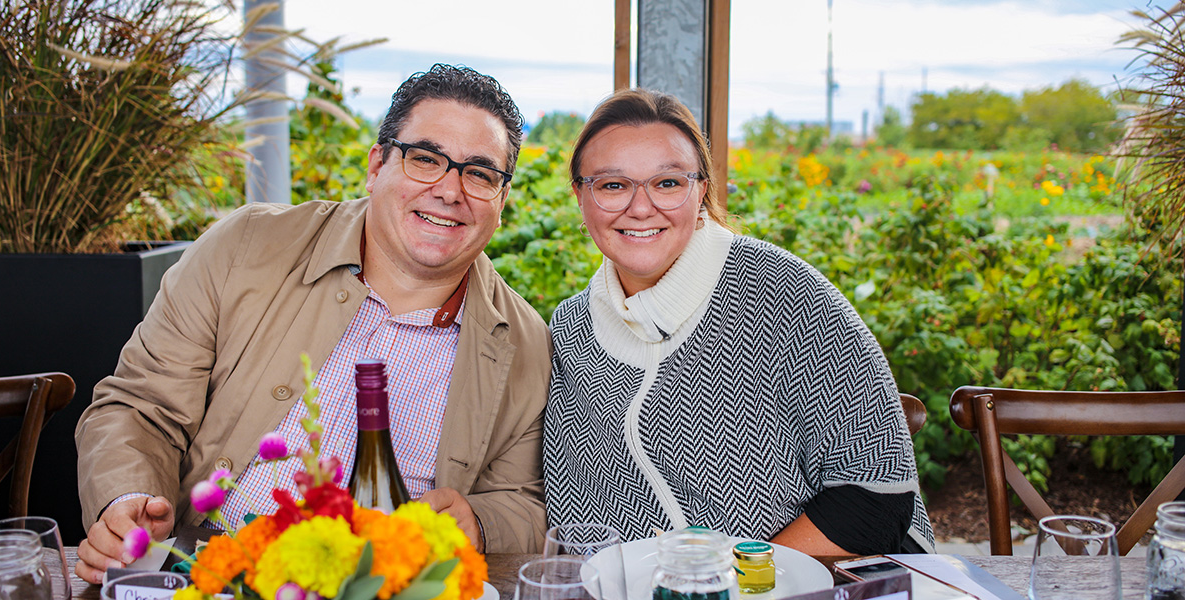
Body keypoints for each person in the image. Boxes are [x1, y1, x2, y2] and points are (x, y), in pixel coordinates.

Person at [75, 64, 552, 583]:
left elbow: (523, 500)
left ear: (502, 199)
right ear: (376, 165)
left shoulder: (526, 344)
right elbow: (141, 407)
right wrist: (128, 500)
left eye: (480, 174)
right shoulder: (247, 247)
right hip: (211, 576)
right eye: (425, 159)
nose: (449, 189)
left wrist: (480, 522)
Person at [543, 88, 934, 555]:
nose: (641, 207)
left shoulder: (785, 291)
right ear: (580, 196)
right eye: (612, 185)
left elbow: (875, 498)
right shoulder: (570, 328)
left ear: (701, 189)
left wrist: (729, 582)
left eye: (667, 183)